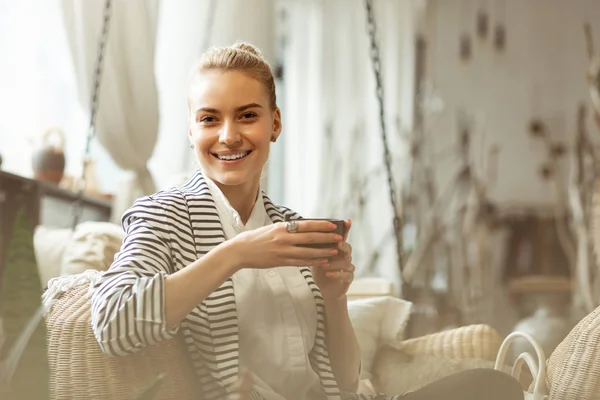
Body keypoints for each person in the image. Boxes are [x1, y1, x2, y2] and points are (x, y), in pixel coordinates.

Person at [90, 42, 524, 400]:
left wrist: (335, 298)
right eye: (209, 119)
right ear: (191, 131)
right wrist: (236, 254)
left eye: (247, 115)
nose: (228, 135)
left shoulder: (290, 228)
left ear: (274, 123)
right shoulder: (163, 215)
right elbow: (113, 322)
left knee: (493, 386)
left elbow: (346, 381)